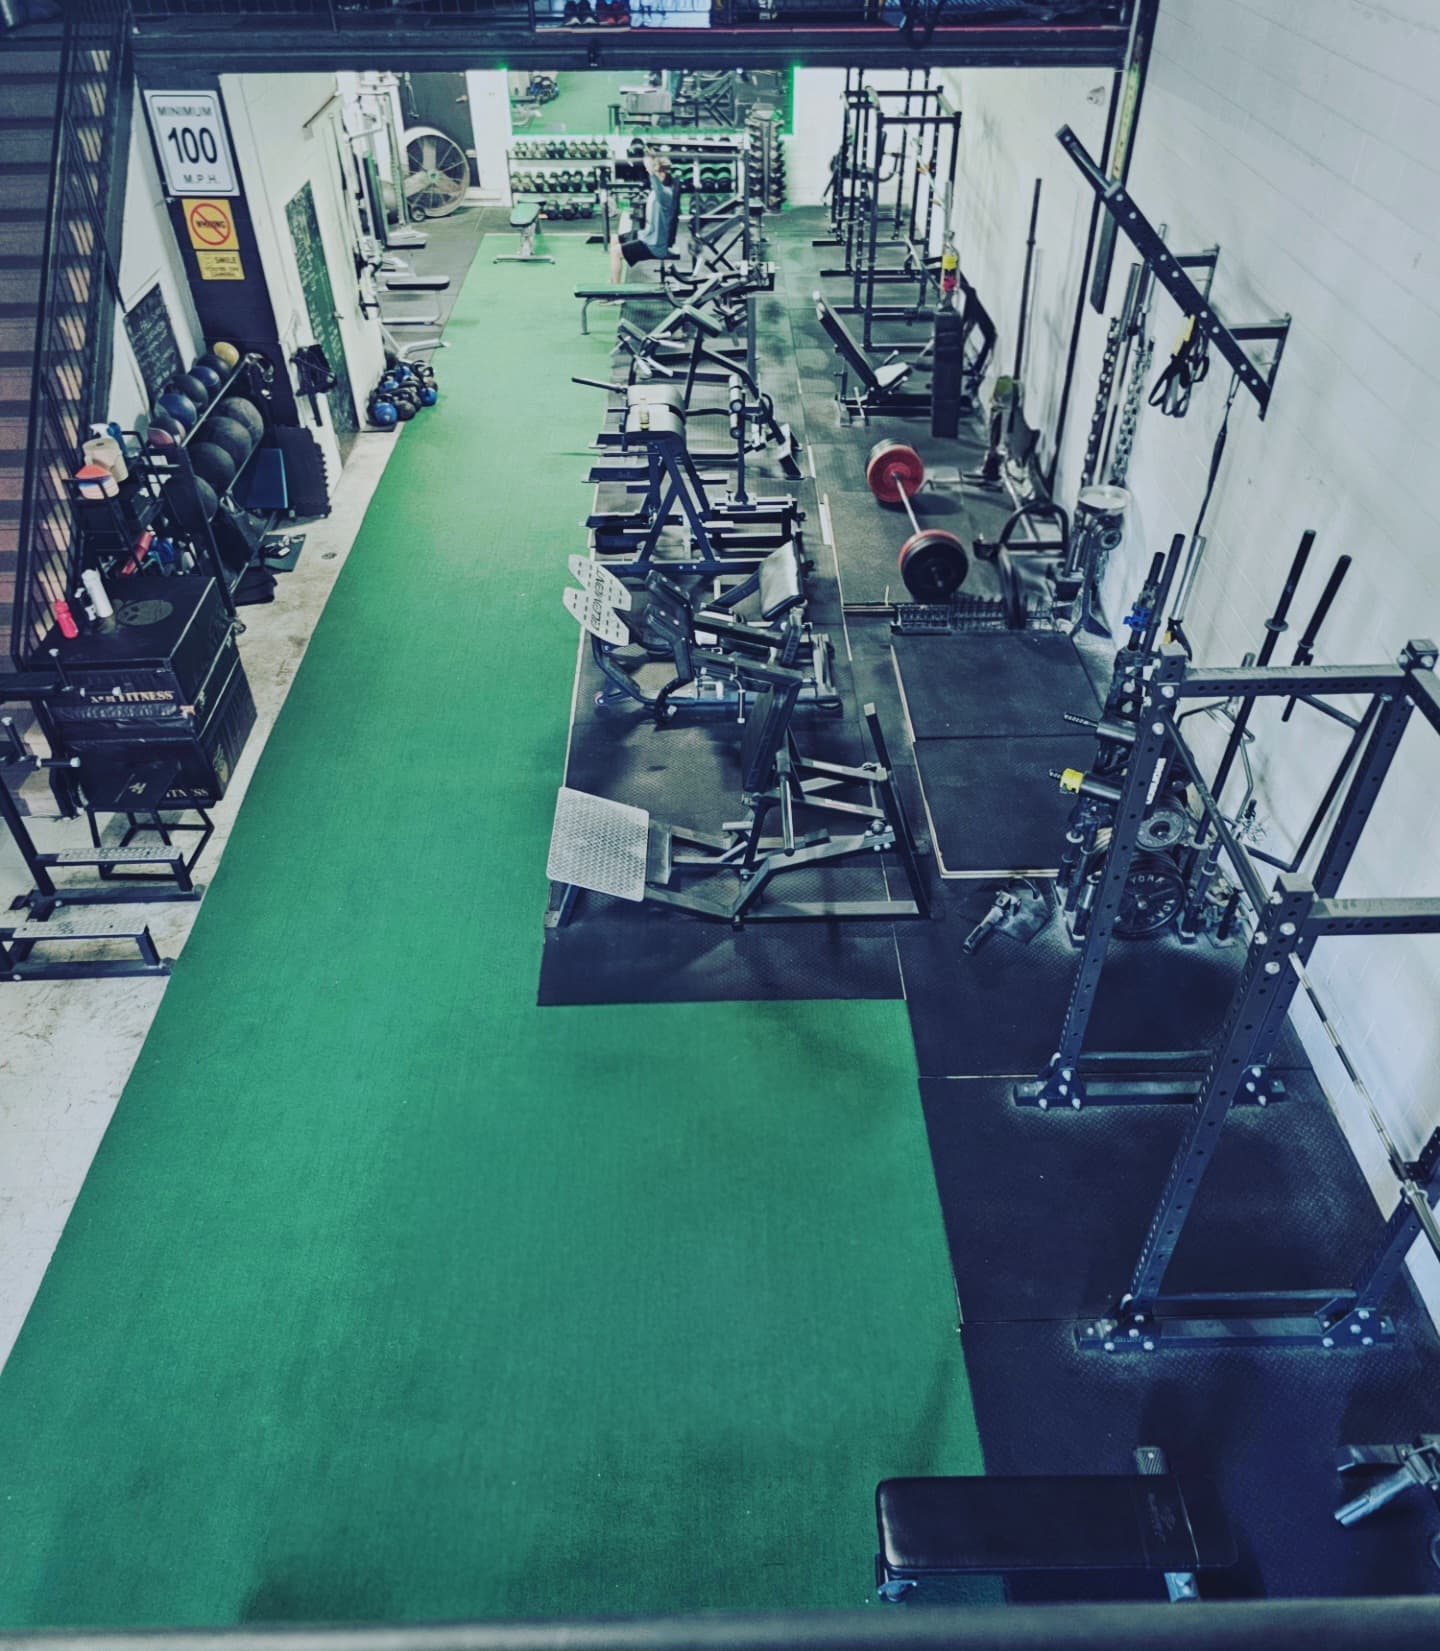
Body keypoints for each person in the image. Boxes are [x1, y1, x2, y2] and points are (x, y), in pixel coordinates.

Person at [609, 151, 679, 285]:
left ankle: (615, 294)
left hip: (655, 245)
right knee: (614, 239)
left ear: (662, 174)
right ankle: (614, 282)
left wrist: (651, 169)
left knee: (615, 252)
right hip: (646, 236)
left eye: (655, 172)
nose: (650, 174)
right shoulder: (660, 189)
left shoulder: (665, 193)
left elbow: (657, 187)